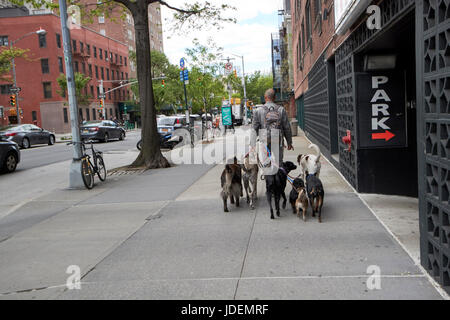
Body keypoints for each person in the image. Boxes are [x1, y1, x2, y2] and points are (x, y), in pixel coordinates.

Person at [251, 88, 294, 168]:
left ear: (265, 97)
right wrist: (289, 142)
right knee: (278, 163)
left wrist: (252, 144)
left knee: (265, 163)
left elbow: (254, 129)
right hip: (277, 139)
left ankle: (268, 178)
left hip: (264, 140)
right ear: (275, 98)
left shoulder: (258, 111)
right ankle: (278, 177)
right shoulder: (281, 110)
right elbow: (287, 127)